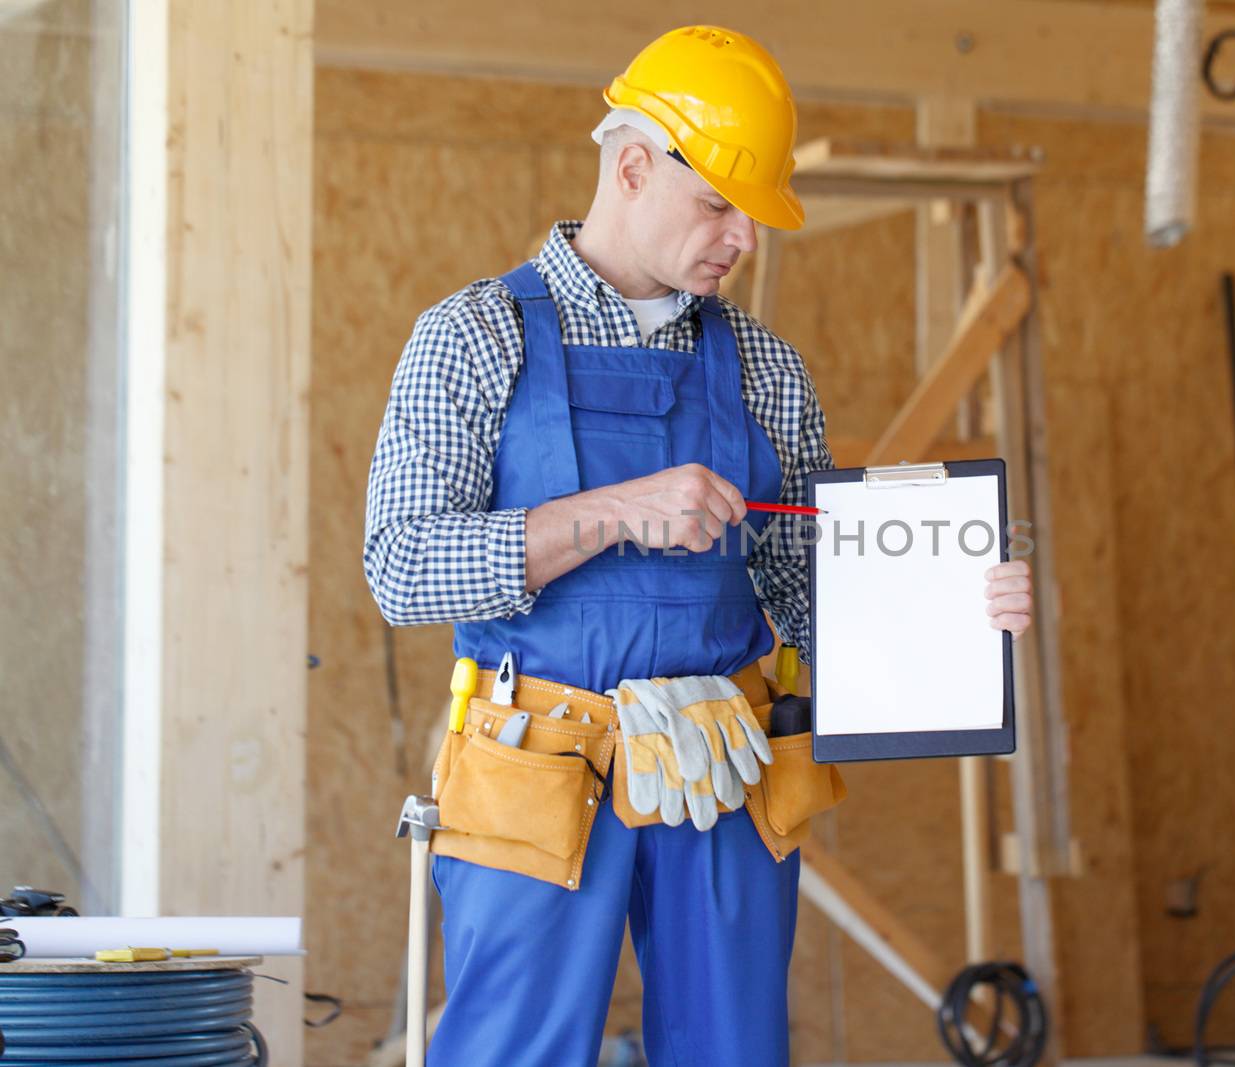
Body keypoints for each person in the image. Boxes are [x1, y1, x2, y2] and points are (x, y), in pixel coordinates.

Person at [363, 25, 1034, 1067]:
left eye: (753, 214)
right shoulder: (472, 336)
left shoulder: (765, 367)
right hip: (537, 769)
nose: (743, 240)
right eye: (719, 205)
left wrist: (953, 609)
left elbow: (808, 592)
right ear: (631, 167)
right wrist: (616, 508)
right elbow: (402, 566)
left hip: (723, 765)